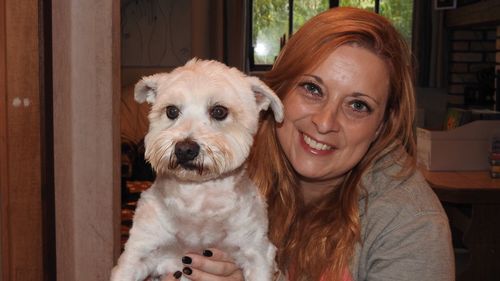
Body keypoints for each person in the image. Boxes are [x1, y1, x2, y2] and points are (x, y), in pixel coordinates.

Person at [154, 6, 455, 281]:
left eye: (358, 106)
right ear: (280, 91)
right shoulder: (223, 154)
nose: (325, 122)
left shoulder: (412, 226)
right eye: (312, 89)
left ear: (382, 126)